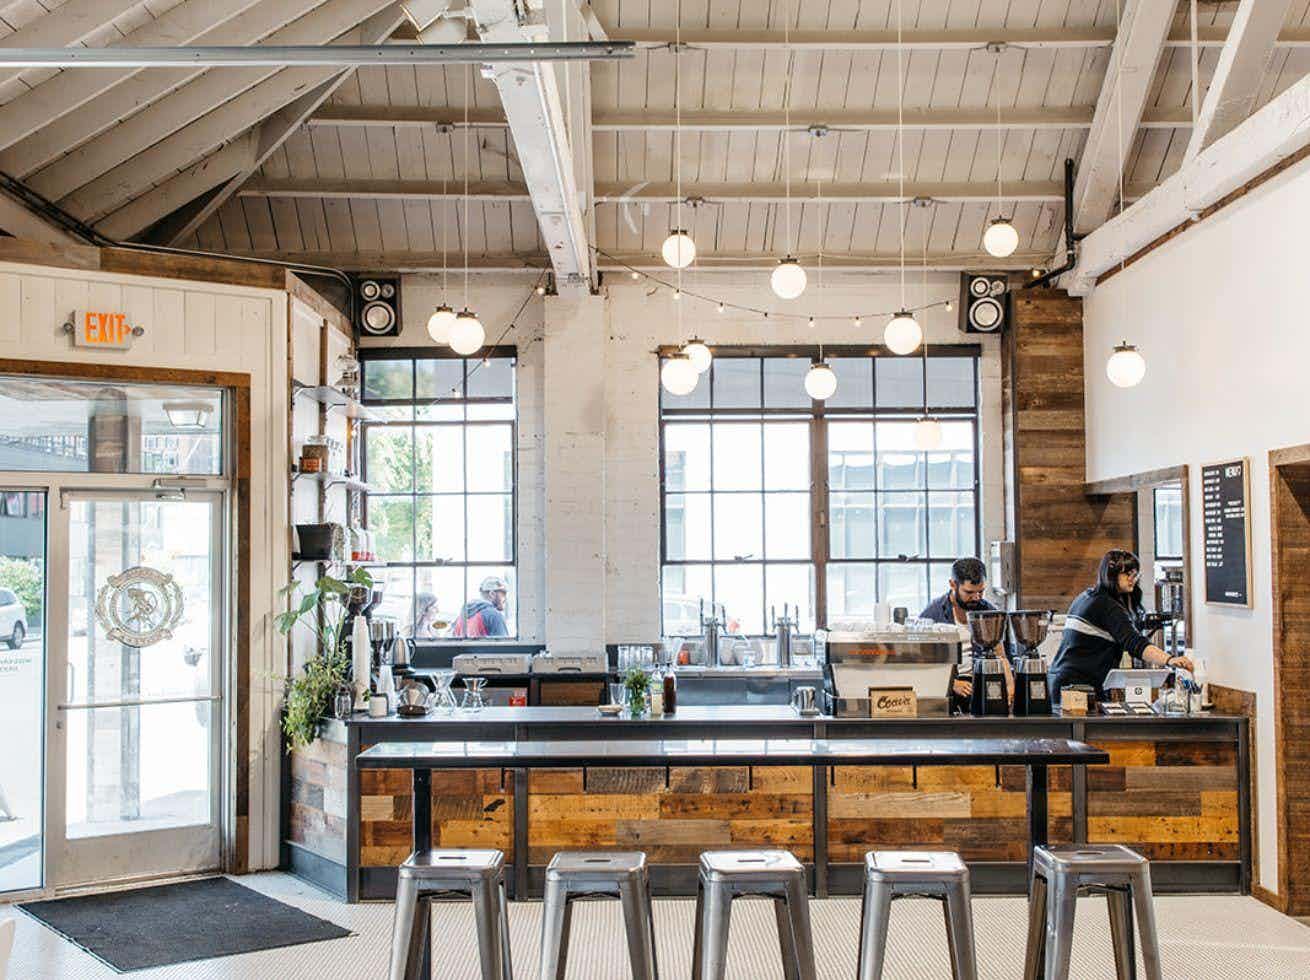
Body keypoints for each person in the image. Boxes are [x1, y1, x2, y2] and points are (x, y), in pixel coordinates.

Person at [1048, 549, 1195, 701]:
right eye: (1127, 574)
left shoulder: (1086, 597)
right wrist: (1169, 660)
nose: (1133, 579)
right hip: (1078, 687)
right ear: (1111, 575)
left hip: (1060, 680)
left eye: (1134, 574)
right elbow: (1134, 643)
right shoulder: (1107, 606)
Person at [920, 557, 1013, 708]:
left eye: (981, 592)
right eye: (969, 592)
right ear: (952, 584)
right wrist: (952, 683)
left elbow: (1001, 656)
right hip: (946, 691)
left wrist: (1010, 688)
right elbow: (922, 663)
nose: (976, 597)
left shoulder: (989, 612)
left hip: (983, 685)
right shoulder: (932, 614)